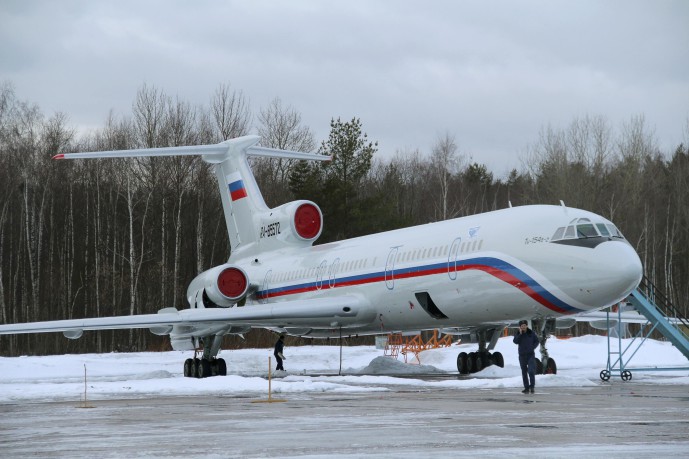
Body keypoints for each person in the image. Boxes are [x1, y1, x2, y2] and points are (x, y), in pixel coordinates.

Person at [513, 319, 539, 393]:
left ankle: (532, 386)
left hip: (530, 355)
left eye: (524, 325)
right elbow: (515, 341)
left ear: (527, 326)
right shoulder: (518, 334)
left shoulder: (531, 333)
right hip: (522, 356)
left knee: (531, 371)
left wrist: (532, 347)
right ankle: (526, 387)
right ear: (520, 327)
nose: (523, 327)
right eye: (522, 326)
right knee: (524, 372)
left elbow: (537, 341)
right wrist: (520, 334)